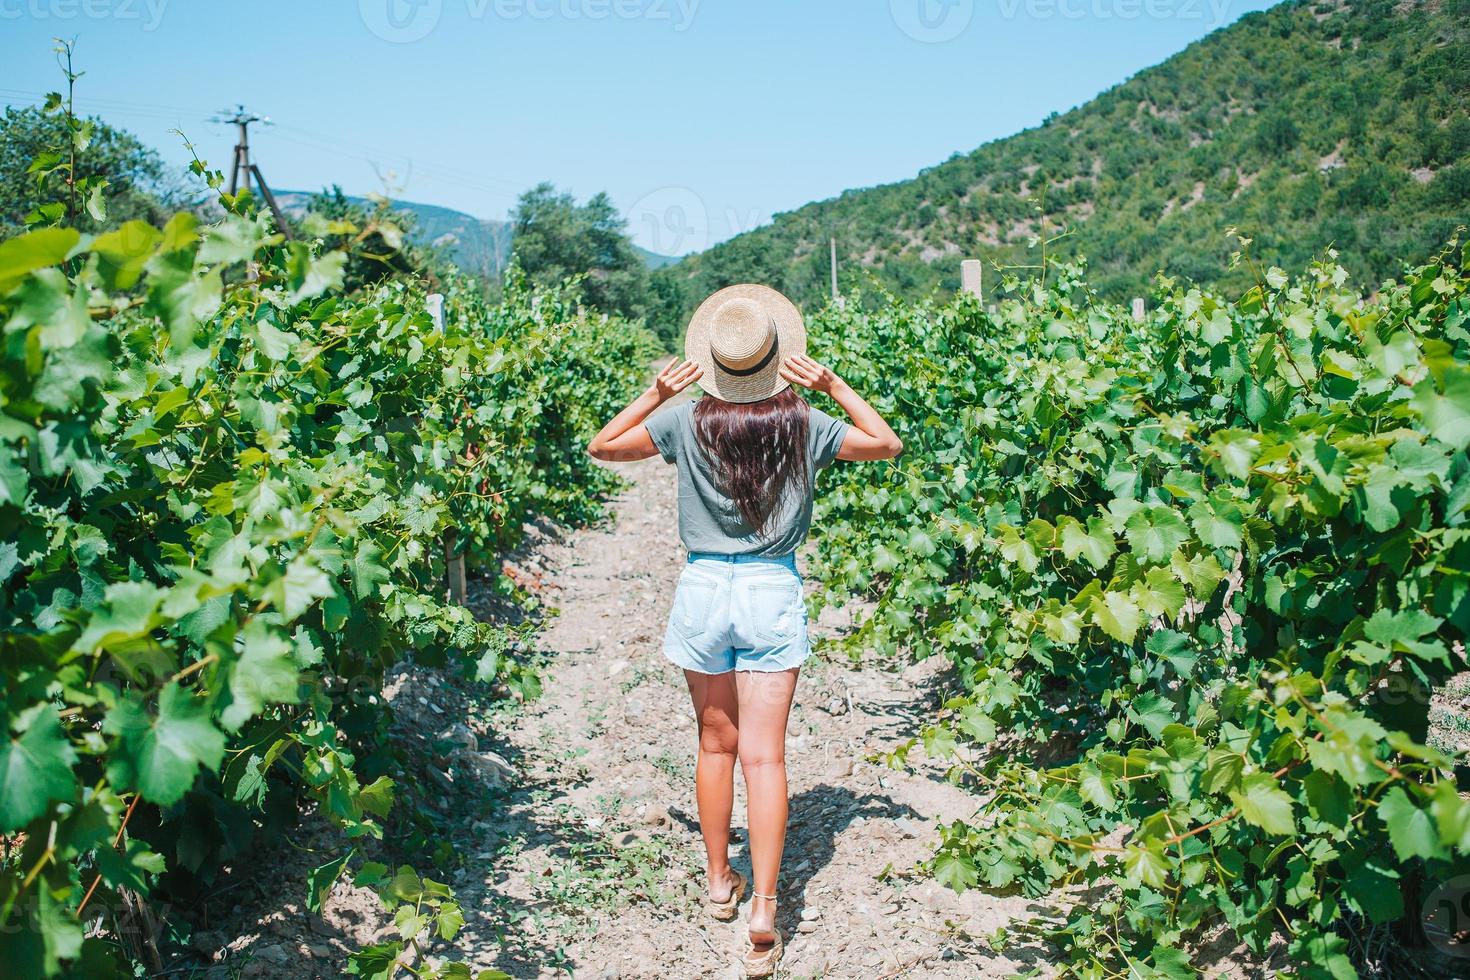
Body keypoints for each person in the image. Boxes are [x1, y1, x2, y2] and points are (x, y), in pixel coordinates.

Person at [588, 284, 902, 976]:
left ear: (713, 363)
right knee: (766, 757)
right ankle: (764, 913)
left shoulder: (684, 422)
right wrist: (833, 382)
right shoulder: (806, 424)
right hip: (769, 588)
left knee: (713, 744)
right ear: (777, 358)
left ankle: (715, 882)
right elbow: (886, 442)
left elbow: (602, 446)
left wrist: (653, 392)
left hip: (704, 587)